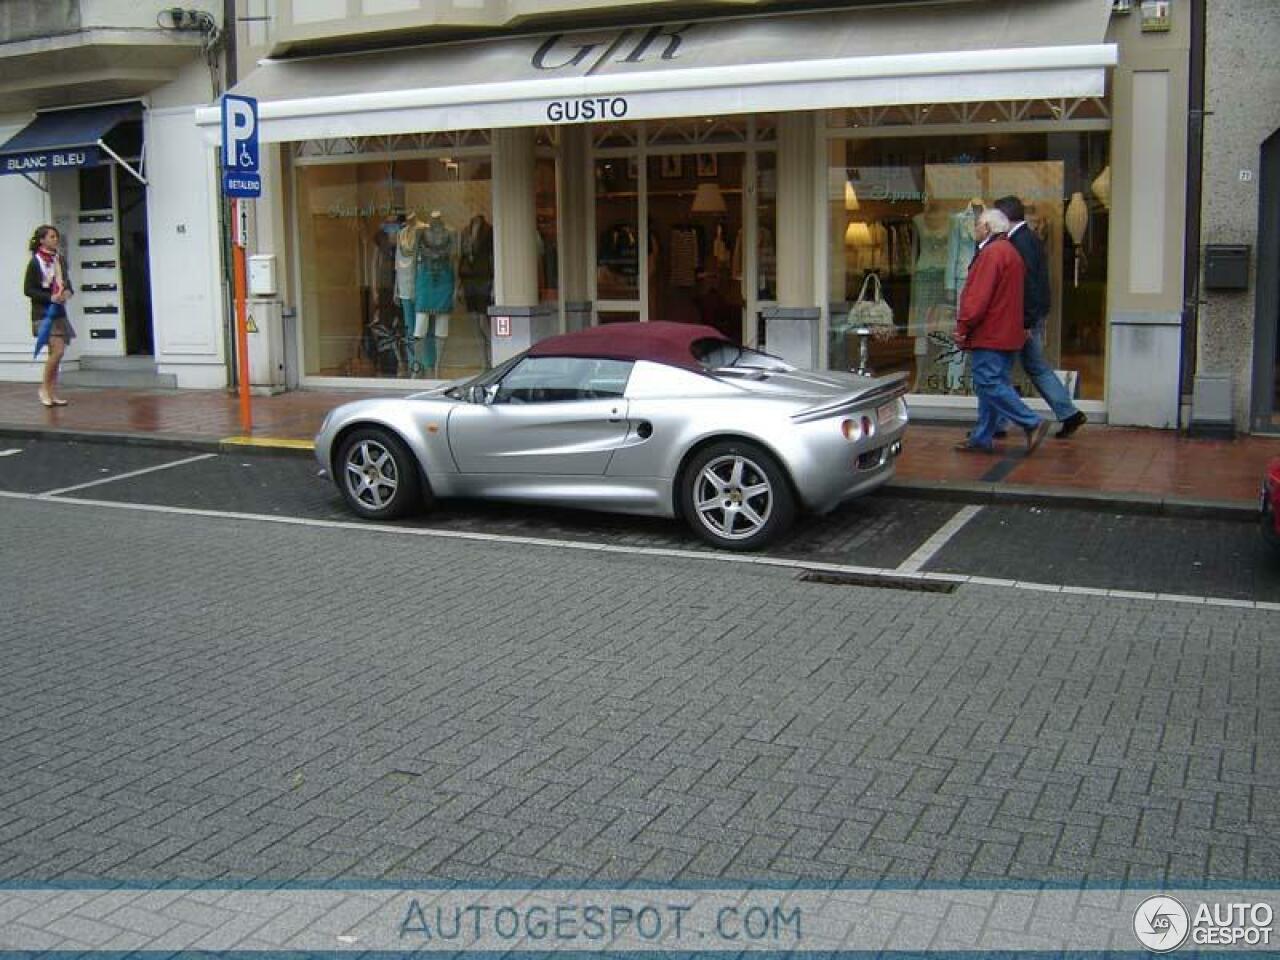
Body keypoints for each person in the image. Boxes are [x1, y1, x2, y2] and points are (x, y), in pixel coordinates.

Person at [953, 208, 1049, 454]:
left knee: (988, 382)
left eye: (978, 225)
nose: (975, 229)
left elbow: (977, 298)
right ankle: (982, 437)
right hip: (1007, 332)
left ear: (987, 227)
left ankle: (1031, 422)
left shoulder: (991, 254)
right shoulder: (1010, 252)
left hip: (990, 333)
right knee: (993, 385)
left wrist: (963, 327)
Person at [993, 195, 1087, 438]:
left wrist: (1025, 320)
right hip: (1030, 315)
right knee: (1036, 367)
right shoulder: (1029, 238)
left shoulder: (1018, 242)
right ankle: (1068, 413)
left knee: (999, 370)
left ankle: (1000, 423)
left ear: (1004, 218)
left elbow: (1027, 285)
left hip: (1022, 318)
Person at [24, 225, 75, 407]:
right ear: (42, 240)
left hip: (59, 312)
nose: (55, 239)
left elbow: (68, 283)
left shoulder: (59, 260)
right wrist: (49, 297)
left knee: (57, 354)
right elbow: (28, 290)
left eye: (56, 236)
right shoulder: (35, 262)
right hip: (43, 313)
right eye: (52, 237)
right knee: (58, 350)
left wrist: (67, 292)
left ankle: (52, 391)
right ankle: (44, 389)